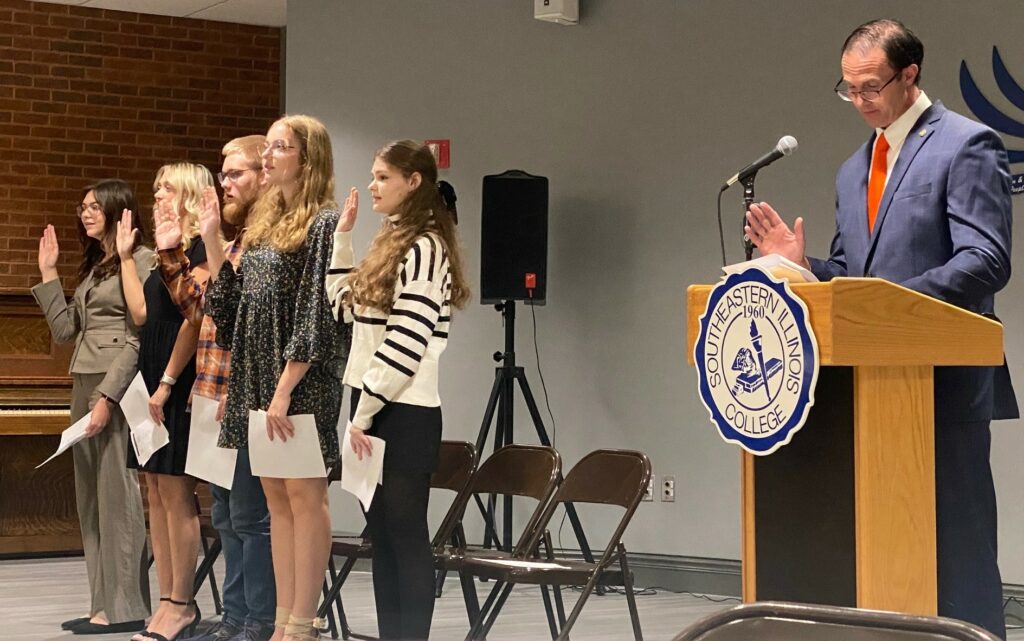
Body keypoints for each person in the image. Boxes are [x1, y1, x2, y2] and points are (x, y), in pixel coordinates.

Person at [743, 19, 1016, 638]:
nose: (860, 101)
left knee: (959, 541)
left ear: (910, 74)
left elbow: (986, 259)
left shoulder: (966, 144)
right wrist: (799, 264)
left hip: (942, 380)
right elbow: (852, 272)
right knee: (886, 542)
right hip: (870, 385)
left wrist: (887, 307)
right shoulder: (852, 170)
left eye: (871, 87)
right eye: (848, 90)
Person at [205, 115, 349, 641]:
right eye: (266, 146)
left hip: (298, 382)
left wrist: (284, 391)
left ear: (306, 160)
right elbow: (231, 307)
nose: (268, 155)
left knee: (305, 499)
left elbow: (316, 314)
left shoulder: (323, 224)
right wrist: (212, 240)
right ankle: (283, 624)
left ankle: (303, 622)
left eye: (280, 147)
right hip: (257, 378)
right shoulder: (265, 223)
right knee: (276, 504)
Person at [326, 140, 470, 641]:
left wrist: (363, 415)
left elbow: (406, 344)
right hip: (369, 402)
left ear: (414, 182)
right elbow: (344, 308)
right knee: (381, 538)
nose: (372, 185)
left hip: (401, 410)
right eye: (373, 175)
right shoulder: (386, 241)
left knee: (407, 538)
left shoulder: (427, 248)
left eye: (383, 176)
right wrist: (342, 241)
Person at [155, 136, 277, 641]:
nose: (225, 183)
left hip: (246, 393)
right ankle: (233, 617)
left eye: (235, 174)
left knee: (250, 516)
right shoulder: (238, 240)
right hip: (212, 393)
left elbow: (215, 309)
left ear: (264, 176)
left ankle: (256, 619)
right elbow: (203, 310)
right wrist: (170, 253)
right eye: (222, 175)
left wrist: (197, 244)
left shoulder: (263, 241)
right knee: (226, 514)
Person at [32, 180, 151, 635]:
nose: (85, 213)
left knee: (116, 497)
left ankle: (124, 608)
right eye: (81, 206)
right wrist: (48, 273)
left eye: (95, 206)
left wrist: (108, 397)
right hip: (82, 379)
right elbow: (65, 332)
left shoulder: (137, 259)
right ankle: (101, 602)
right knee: (90, 500)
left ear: (120, 209)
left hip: (113, 387)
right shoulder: (96, 265)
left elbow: (137, 336)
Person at [119, 163, 212, 641]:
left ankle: (182, 603)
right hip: (151, 374)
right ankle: (163, 600)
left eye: (167, 188)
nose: (157, 195)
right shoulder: (164, 251)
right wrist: (124, 256)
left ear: (192, 195)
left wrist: (169, 382)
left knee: (177, 492)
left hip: (177, 378)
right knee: (153, 490)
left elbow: (191, 317)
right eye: (155, 188)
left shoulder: (197, 249)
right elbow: (143, 313)